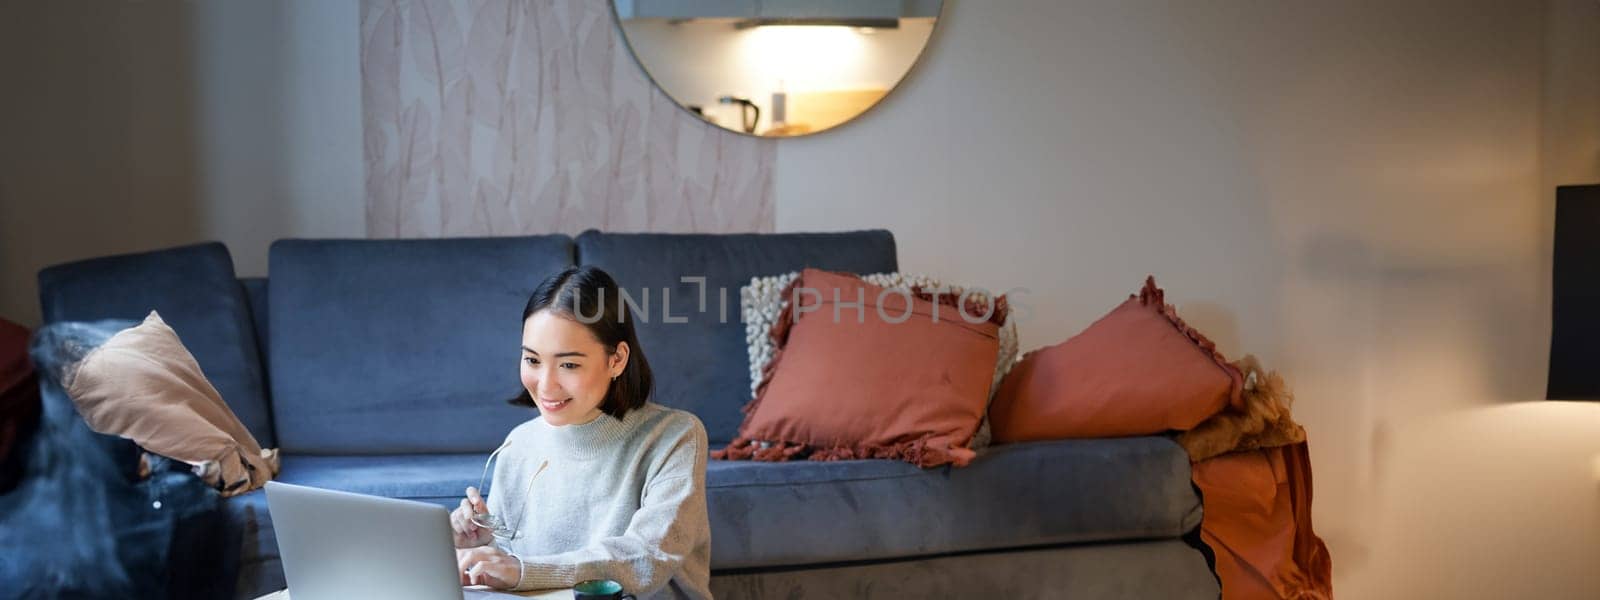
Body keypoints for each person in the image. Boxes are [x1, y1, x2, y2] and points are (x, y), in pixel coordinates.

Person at [450, 266, 712, 598]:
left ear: (617, 359)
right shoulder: (519, 444)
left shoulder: (675, 436)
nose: (545, 385)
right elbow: (511, 565)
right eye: (532, 360)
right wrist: (481, 541)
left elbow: (646, 558)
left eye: (569, 364)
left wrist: (519, 570)